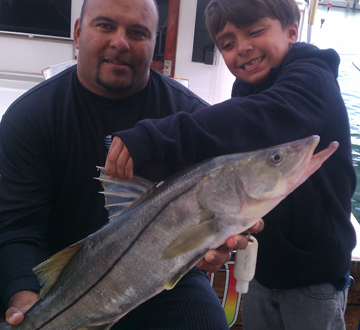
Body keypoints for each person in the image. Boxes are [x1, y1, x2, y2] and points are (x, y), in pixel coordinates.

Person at [0, 0, 264, 328]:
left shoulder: (194, 120)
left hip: (163, 278)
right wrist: (27, 302)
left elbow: (210, 230)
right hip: (57, 279)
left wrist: (214, 246)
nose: (120, 42)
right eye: (105, 26)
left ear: (153, 42)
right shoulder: (31, 117)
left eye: (137, 32)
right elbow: (18, 228)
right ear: (79, 33)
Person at [104, 0, 357, 329]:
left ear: (292, 31)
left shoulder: (311, 80)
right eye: (228, 43)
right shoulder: (247, 92)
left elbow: (255, 119)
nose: (243, 48)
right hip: (260, 270)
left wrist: (156, 137)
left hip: (315, 280)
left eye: (255, 32)